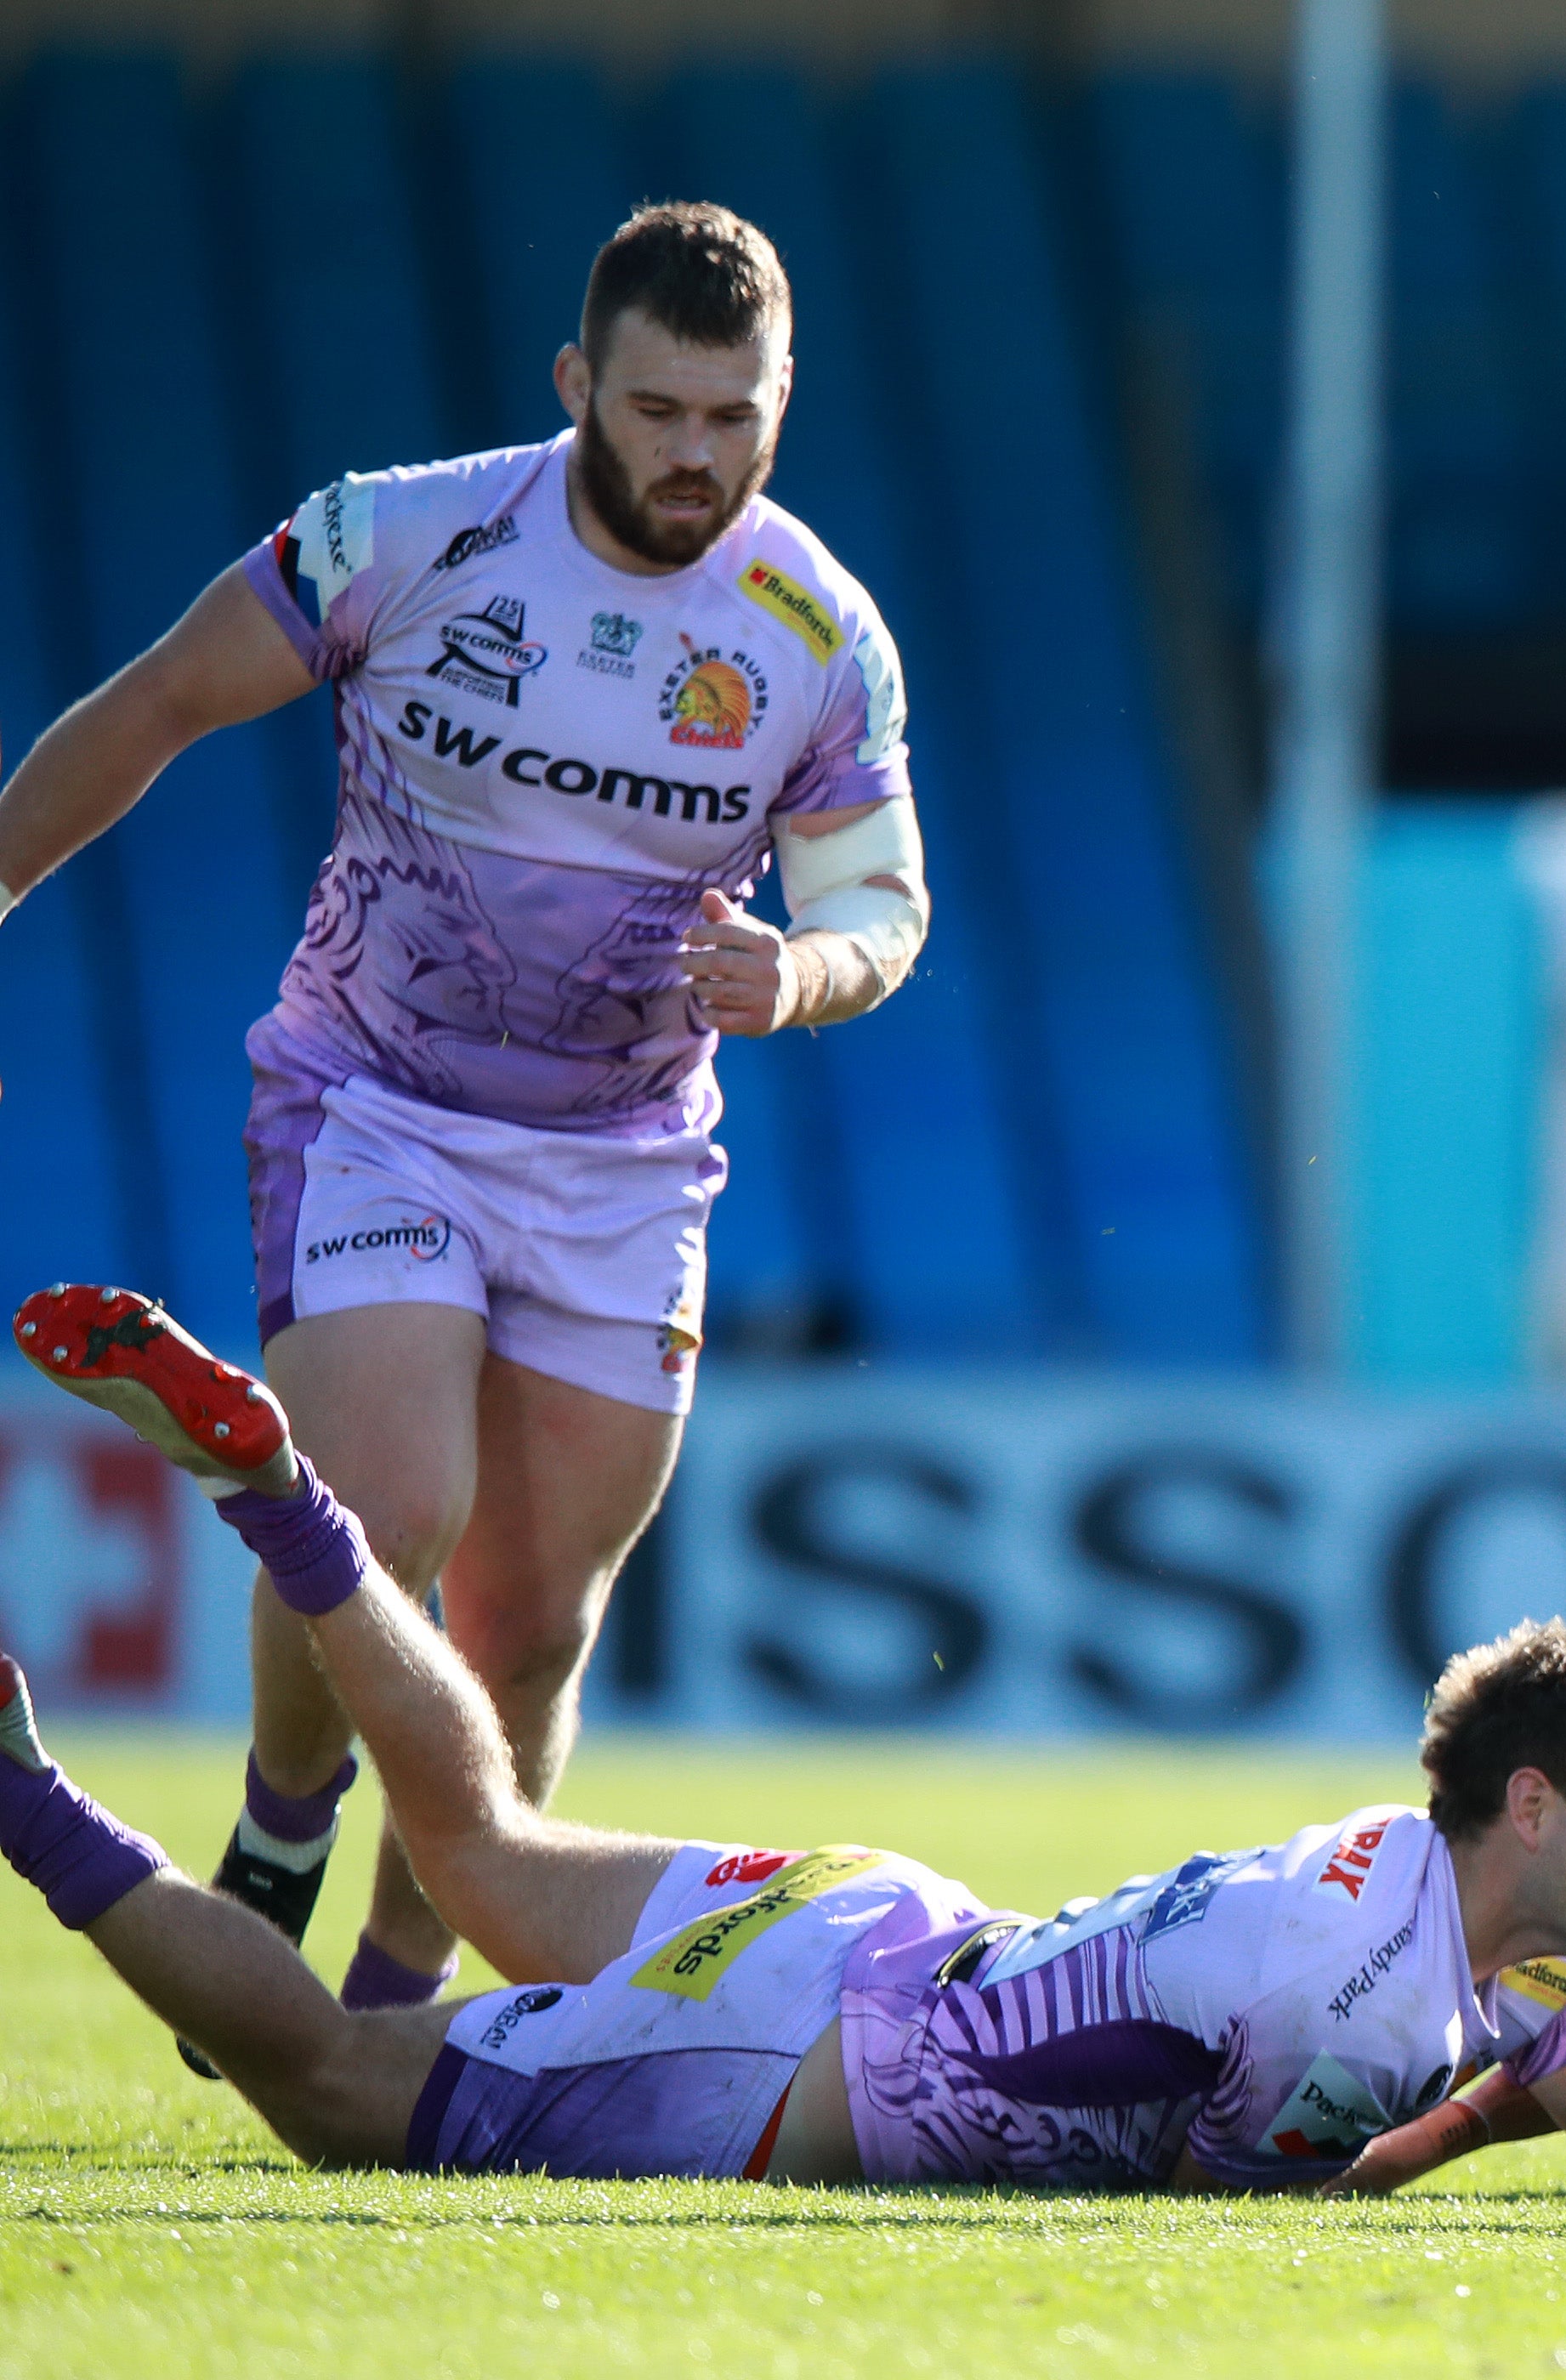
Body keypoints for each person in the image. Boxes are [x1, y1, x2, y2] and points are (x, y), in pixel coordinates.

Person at [2, 1284, 1566, 2206]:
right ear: (1534, 1803)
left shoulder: (1464, 1932)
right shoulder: (1360, 2004)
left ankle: (296, 1506)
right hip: (796, 2070)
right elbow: (1261, 2203)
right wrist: (1480, 2120)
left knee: (481, 1851)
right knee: (332, 2086)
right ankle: (19, 1779)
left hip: (880, 1919)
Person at [0, 204, 933, 2038]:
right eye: (660, 408)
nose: (696, 452)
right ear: (578, 382)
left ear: (780, 403)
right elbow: (166, 701)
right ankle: (283, 1815)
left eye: (735, 416)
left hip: (625, 1154)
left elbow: (884, 906)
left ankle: (393, 2001)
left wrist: (799, 975)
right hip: (379, 1101)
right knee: (385, 1508)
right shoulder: (406, 536)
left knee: (532, 1625)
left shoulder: (814, 628)